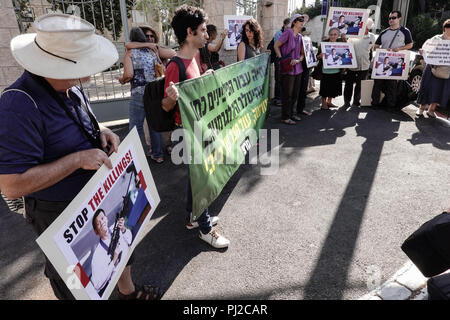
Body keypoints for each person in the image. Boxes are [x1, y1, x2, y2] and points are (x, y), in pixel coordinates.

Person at [0, 13, 159, 300]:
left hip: (96, 196)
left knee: (119, 249)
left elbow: (81, 122)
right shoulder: (18, 105)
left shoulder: (69, 84)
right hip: (59, 212)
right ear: (51, 65)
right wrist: (76, 160)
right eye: (80, 68)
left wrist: (103, 130)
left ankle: (128, 294)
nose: (87, 76)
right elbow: (11, 185)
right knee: (75, 283)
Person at [162, 5, 229, 249]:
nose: (207, 35)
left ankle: (193, 216)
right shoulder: (174, 65)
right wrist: (171, 96)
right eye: (202, 31)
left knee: (196, 177)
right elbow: (166, 106)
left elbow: (194, 89)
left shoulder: (196, 57)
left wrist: (205, 76)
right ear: (190, 32)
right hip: (187, 134)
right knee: (201, 178)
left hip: (200, 129)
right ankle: (205, 228)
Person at [118, 27, 175, 164]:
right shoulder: (152, 51)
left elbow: (129, 75)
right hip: (153, 92)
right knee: (153, 124)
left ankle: (133, 158)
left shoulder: (130, 53)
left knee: (135, 127)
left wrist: (122, 80)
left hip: (138, 93)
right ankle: (158, 154)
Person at [371, 10, 413, 110]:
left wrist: (399, 49)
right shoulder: (384, 32)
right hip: (382, 62)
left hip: (395, 63)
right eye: (390, 18)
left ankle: (390, 106)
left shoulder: (405, 31)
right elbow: (375, 47)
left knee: (392, 85)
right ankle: (375, 103)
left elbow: (410, 45)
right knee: (377, 83)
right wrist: (383, 50)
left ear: (399, 18)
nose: (391, 20)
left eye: (393, 18)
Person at [90, 208, 132, 297]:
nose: (102, 222)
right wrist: (113, 261)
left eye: (102, 218)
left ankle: (129, 291)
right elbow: (97, 285)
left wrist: (124, 229)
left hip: (127, 268)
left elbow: (130, 240)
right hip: (117, 280)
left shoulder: (116, 227)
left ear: (106, 218)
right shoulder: (97, 256)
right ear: (96, 231)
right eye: (98, 223)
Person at [274, 13, 306, 124]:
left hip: (298, 69)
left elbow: (302, 54)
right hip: (287, 68)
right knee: (287, 94)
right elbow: (276, 46)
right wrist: (281, 59)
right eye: (300, 19)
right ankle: (285, 117)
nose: (302, 21)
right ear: (294, 22)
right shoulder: (287, 32)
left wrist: (299, 60)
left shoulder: (301, 37)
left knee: (295, 94)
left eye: (303, 20)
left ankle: (292, 114)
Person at [416, 19, 450, 118]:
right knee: (427, 87)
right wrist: (423, 51)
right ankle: (421, 109)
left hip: (446, 70)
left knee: (440, 90)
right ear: (444, 28)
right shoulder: (437, 38)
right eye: (448, 27)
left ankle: (431, 110)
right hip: (432, 68)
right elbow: (427, 49)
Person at [343, 18, 375, 108]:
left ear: (368, 28)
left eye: (365, 26)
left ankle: (356, 101)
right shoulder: (353, 36)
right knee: (348, 84)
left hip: (364, 65)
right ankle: (346, 101)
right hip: (352, 65)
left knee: (360, 85)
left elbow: (372, 49)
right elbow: (347, 47)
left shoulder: (372, 37)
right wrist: (345, 39)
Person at [317, 28, 342, 109]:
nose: (333, 36)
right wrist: (320, 56)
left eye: (335, 34)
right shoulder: (323, 44)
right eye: (331, 34)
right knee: (325, 88)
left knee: (333, 88)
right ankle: (323, 103)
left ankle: (329, 102)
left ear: (338, 35)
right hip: (326, 71)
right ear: (329, 35)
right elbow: (317, 57)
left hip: (336, 70)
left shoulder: (341, 44)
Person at [272, 18, 291, 106]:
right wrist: (281, 58)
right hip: (280, 58)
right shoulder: (279, 33)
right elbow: (277, 47)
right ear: (284, 25)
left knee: (286, 79)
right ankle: (278, 99)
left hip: (288, 59)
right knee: (279, 79)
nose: (289, 29)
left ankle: (284, 98)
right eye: (288, 27)